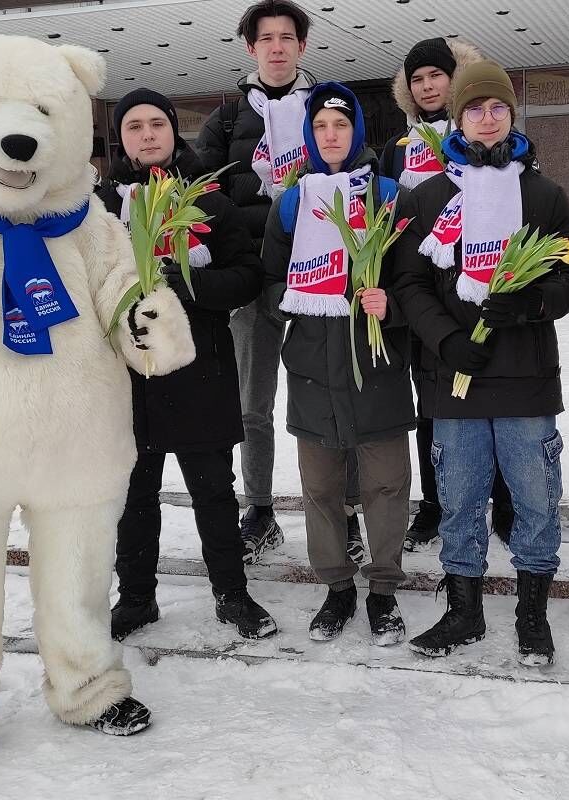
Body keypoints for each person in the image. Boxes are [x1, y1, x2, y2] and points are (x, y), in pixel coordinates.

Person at [392, 61, 569, 664]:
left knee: (533, 500)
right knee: (460, 498)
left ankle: (532, 614)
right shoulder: (429, 196)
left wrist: (531, 301)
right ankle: (463, 612)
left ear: (511, 114)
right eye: (475, 108)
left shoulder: (545, 194)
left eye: (497, 107)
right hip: (456, 380)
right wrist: (447, 341)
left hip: (527, 379)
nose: (487, 118)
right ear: (457, 115)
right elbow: (411, 284)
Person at [196, 0, 374, 566]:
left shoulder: (327, 108)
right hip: (254, 282)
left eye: (287, 37)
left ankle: (346, 514)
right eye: (266, 38)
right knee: (254, 405)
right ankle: (260, 510)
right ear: (251, 48)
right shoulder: (226, 119)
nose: (277, 47)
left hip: (326, 281)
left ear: (302, 46)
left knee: (333, 396)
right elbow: (205, 194)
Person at [98, 89, 278, 641]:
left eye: (158, 124)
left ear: (174, 133)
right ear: (120, 138)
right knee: (134, 497)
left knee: (213, 493)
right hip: (127, 378)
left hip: (201, 371)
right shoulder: (100, 208)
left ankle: (231, 593)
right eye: (134, 126)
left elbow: (248, 274)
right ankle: (135, 599)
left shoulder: (209, 201)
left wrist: (188, 282)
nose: (148, 134)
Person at [261, 83, 414, 645]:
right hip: (311, 367)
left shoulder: (388, 193)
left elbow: (412, 278)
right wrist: (294, 301)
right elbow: (270, 274)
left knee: (386, 485)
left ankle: (383, 593)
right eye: (321, 127)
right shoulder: (292, 201)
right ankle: (337, 588)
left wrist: (388, 305)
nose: (331, 136)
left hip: (376, 364)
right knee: (321, 488)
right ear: (309, 135)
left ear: (357, 134)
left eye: (341, 126)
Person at [377, 36, 515, 553]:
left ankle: (502, 502)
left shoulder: (483, 134)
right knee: (431, 404)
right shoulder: (397, 148)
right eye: (417, 79)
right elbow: (386, 218)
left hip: (482, 285)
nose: (428, 85)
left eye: (437, 75)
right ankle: (436, 503)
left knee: (496, 398)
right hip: (424, 295)